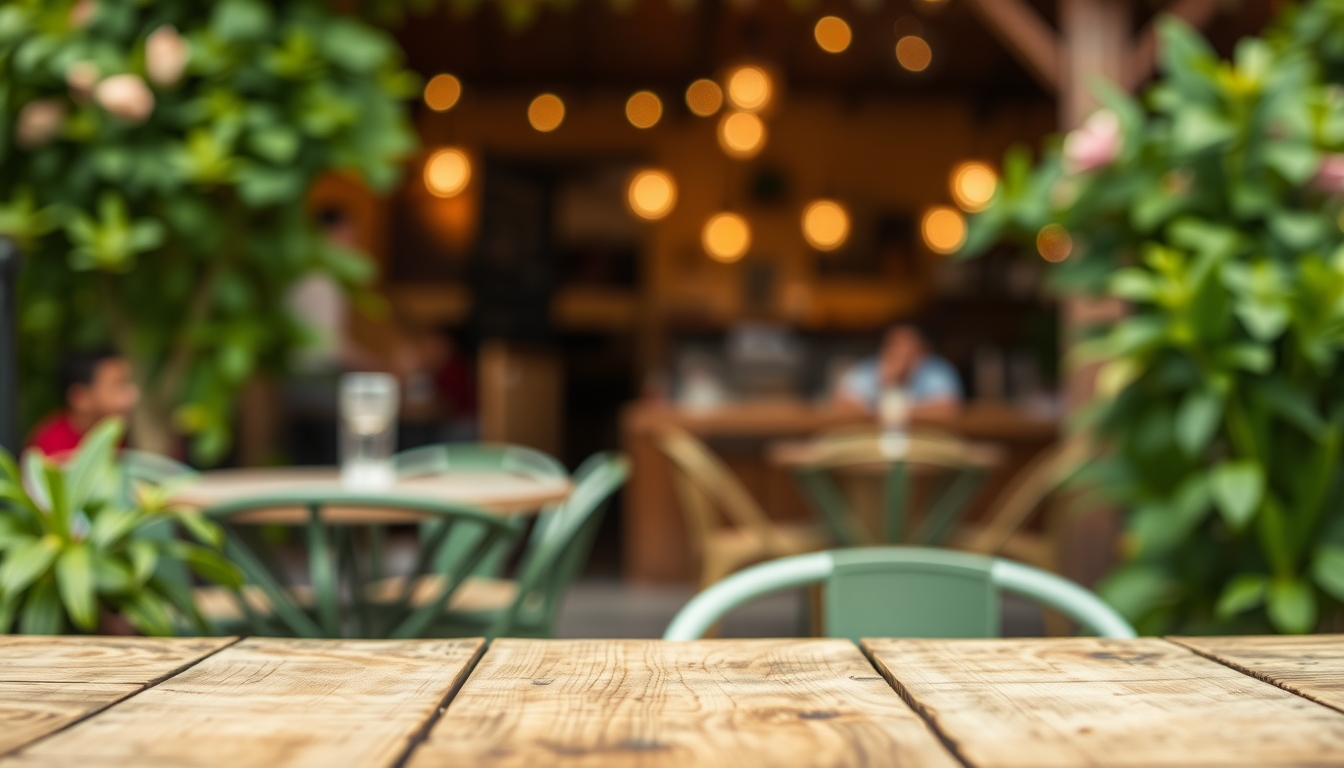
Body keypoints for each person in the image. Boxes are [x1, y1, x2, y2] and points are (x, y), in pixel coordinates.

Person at [27, 349, 140, 460]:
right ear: (80, 397)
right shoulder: (51, 448)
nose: (132, 396)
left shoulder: (118, 437)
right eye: (118, 386)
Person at [834, 324, 962, 420]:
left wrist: (897, 412)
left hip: (928, 439)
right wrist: (886, 382)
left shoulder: (935, 370)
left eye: (908, 348)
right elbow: (842, 405)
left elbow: (949, 409)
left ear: (921, 351)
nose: (900, 352)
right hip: (872, 439)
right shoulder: (869, 369)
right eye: (894, 345)